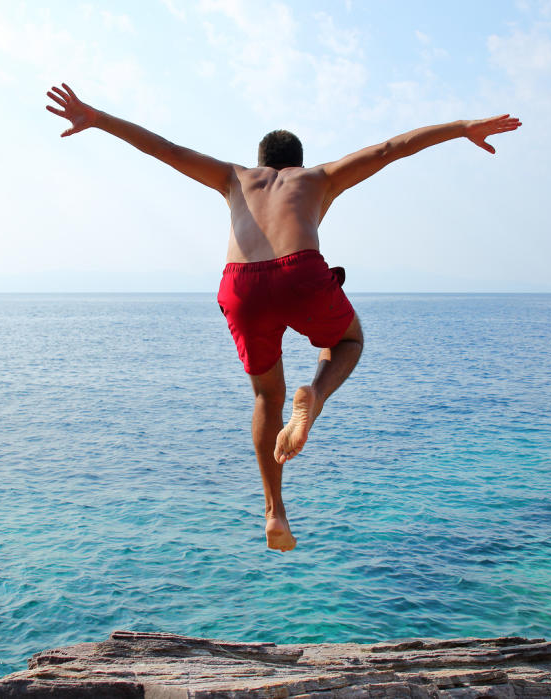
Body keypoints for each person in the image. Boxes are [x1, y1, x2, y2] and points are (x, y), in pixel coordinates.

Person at [46, 83, 521, 552]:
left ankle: (274, 510)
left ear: (260, 162)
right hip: (299, 273)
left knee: (265, 396)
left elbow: (165, 149)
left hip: (241, 285)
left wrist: (97, 118)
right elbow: (391, 148)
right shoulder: (317, 177)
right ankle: (314, 395)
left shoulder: (235, 177)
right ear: (296, 162)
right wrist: (462, 127)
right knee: (348, 342)